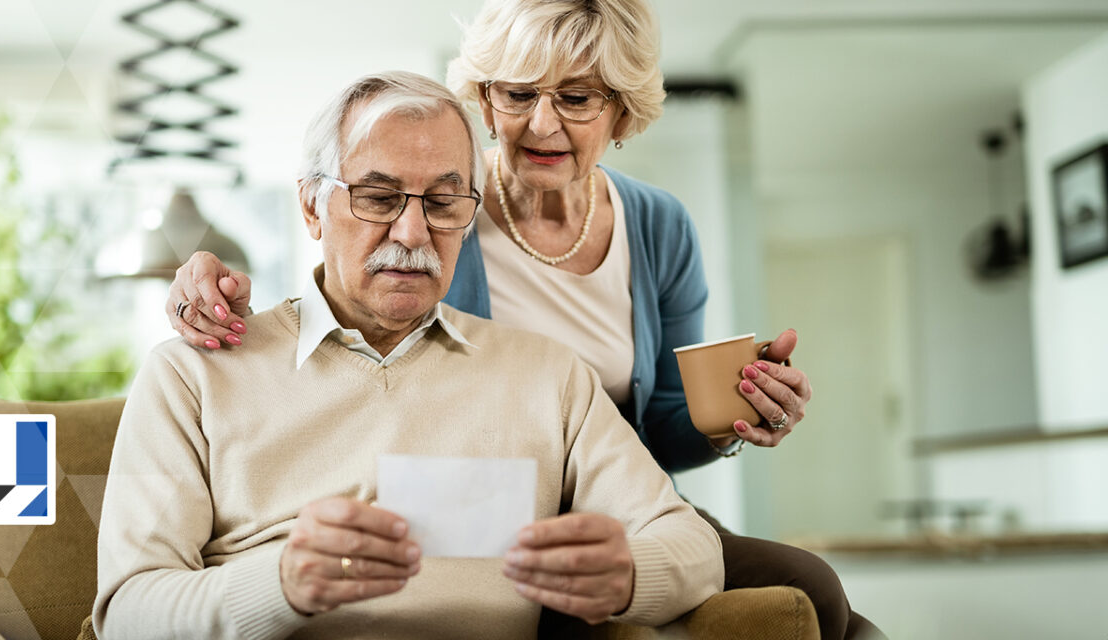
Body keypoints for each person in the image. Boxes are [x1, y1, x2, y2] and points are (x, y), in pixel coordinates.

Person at [162, 2, 884, 638]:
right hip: (482, 509)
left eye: (576, 97)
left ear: (621, 111)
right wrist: (207, 286)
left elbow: (663, 425)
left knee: (813, 588)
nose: (542, 122)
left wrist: (735, 413)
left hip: (605, 503)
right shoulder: (442, 199)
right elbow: (355, 292)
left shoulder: (657, 226)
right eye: (517, 93)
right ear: (485, 95)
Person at [95, 71, 723, 640]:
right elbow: (129, 611)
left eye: (444, 203)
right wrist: (281, 585)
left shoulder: (547, 375)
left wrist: (631, 575)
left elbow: (691, 546)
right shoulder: (193, 372)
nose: (412, 233)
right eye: (377, 197)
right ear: (313, 205)